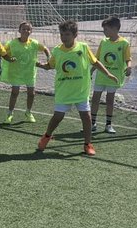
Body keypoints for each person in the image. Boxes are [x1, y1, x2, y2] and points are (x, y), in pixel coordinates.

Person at [35, 20, 115, 156]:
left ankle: (87, 144)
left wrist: (108, 73)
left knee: (87, 117)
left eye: (67, 34)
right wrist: (41, 65)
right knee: (57, 117)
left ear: (75, 34)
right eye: (62, 34)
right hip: (64, 91)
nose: (64, 37)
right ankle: (47, 136)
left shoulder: (83, 48)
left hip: (81, 91)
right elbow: (50, 65)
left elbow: (95, 62)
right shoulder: (57, 50)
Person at [90, 16, 132, 134]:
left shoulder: (124, 43)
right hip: (101, 75)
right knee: (95, 98)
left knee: (110, 100)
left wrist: (129, 67)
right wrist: (91, 70)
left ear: (114, 29)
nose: (104, 32)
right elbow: (97, 59)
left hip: (114, 77)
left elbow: (128, 58)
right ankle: (93, 123)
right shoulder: (103, 42)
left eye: (106, 29)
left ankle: (108, 125)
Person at [1, 21, 45, 123]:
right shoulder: (12, 43)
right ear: (19, 30)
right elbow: (2, 52)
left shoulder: (34, 43)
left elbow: (45, 49)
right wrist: (8, 58)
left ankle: (28, 112)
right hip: (16, 72)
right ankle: (10, 113)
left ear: (31, 31)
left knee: (31, 93)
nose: (26, 31)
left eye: (28, 29)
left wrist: (47, 58)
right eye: (24, 29)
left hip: (29, 72)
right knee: (15, 92)